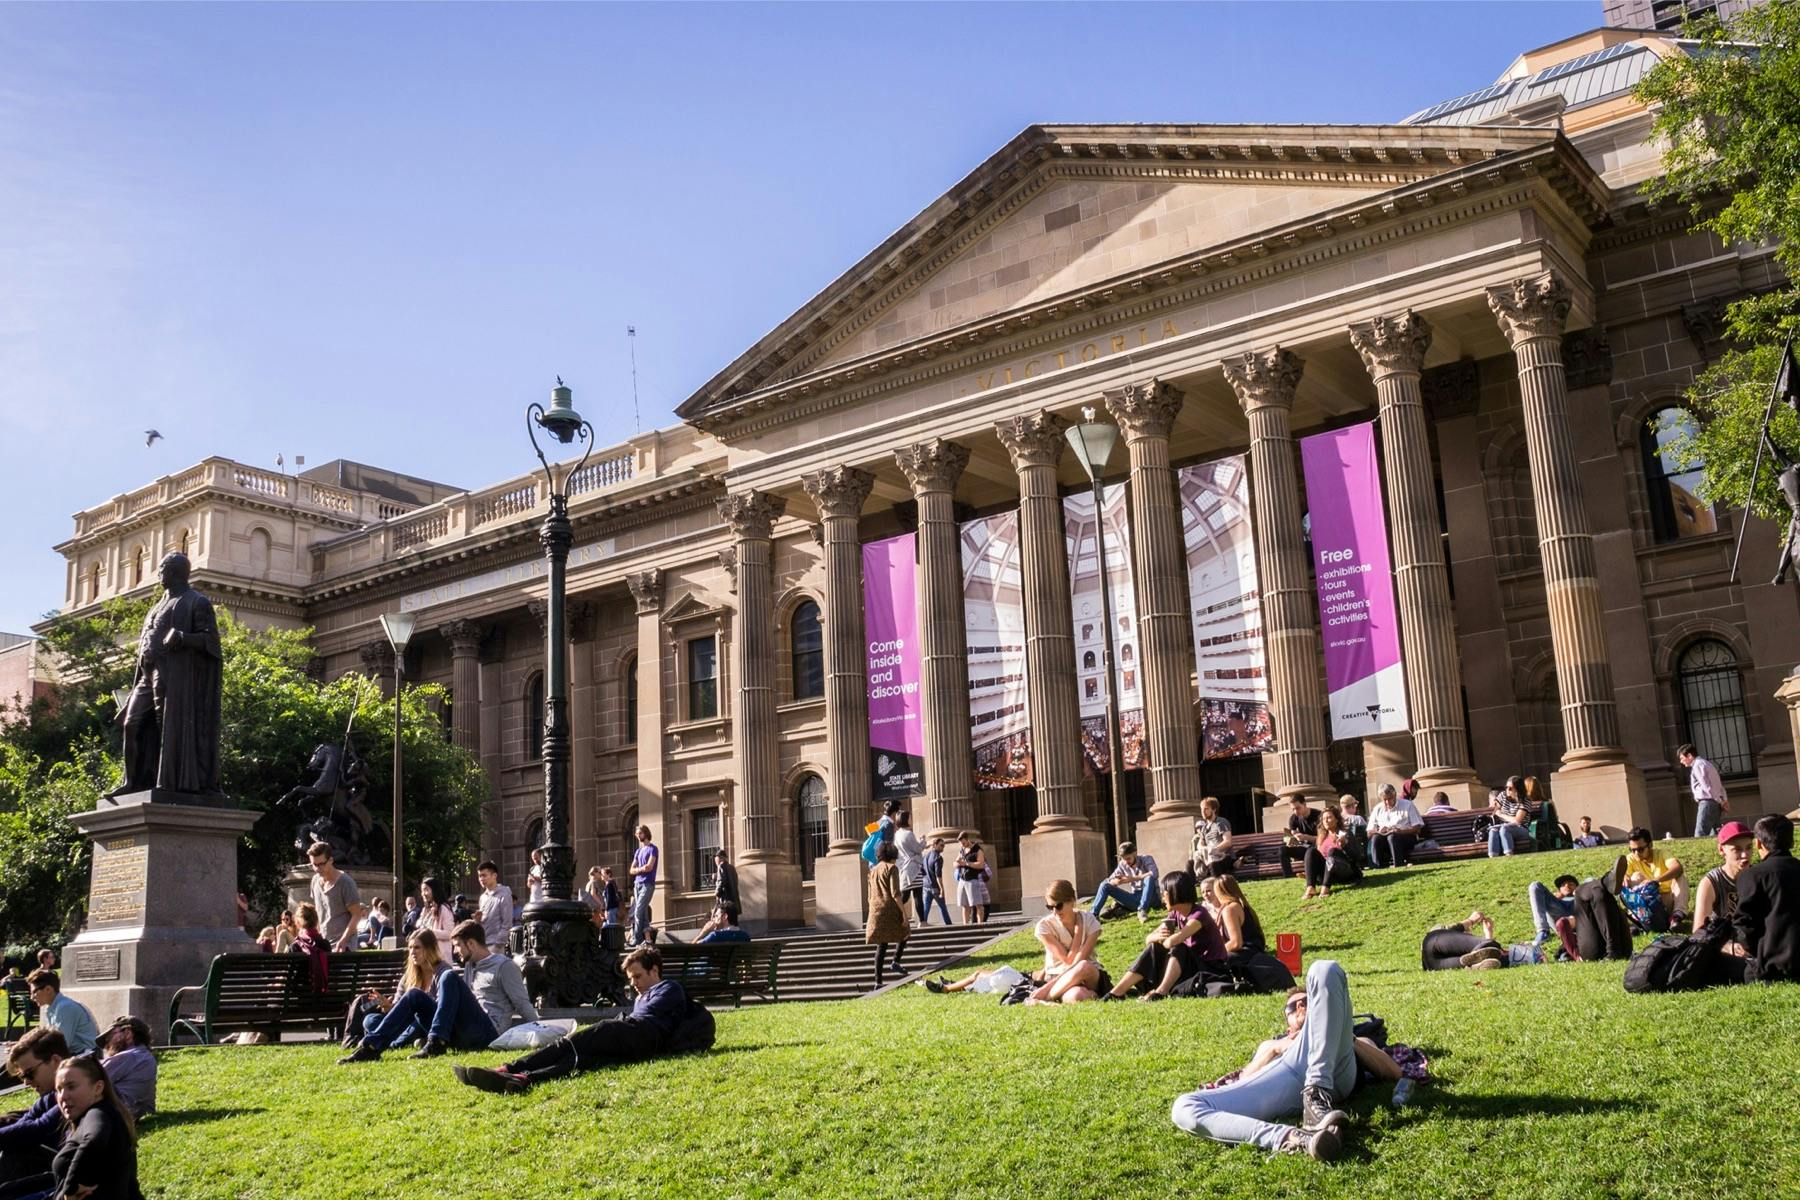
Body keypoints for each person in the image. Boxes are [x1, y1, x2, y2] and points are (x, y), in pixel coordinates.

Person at [1170, 960, 1379, 1162]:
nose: (1301, 1006)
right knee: (1184, 1106)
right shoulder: (1271, 1045)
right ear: (1287, 1023)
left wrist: (1335, 1033)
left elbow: (1393, 1071)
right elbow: (1244, 1079)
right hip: (1288, 1075)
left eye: (1307, 1002)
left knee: (1325, 968)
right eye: (1293, 1007)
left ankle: (1316, 1093)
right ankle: (1293, 1138)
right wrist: (1276, 1048)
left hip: (1337, 1070)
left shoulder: (1351, 1037)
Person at [454, 945, 707, 1095]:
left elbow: (644, 1020)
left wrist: (621, 1021)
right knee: (582, 1059)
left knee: (571, 1043)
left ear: (655, 971)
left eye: (638, 977)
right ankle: (525, 1078)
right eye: (630, 979)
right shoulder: (645, 996)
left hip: (641, 1035)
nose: (634, 984)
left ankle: (510, 1068)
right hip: (635, 1040)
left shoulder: (669, 988)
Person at [1102, 871, 1224, 1001]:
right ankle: (1116, 993)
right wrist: (1157, 937)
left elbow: (1174, 941)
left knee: (1179, 947)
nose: (1162, 896)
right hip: (1189, 966)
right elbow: (1148, 939)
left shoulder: (1199, 914)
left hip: (1210, 968)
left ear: (1174, 893)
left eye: (1164, 892)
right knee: (1155, 947)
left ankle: (1161, 992)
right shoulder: (1175, 914)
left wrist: (1164, 940)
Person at [41, 1054, 143, 1200]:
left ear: (98, 1087)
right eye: (59, 1089)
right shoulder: (103, 1114)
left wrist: (70, 1188)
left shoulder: (98, 1113)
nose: (63, 1096)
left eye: (71, 1087)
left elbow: (95, 1139)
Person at [0, 1028, 69, 1191]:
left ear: (55, 1061)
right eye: (22, 1076)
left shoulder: (75, 1091)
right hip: (56, 1167)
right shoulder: (50, 1096)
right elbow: (24, 1124)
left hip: (76, 1178)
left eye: (30, 1074)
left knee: (15, 1149)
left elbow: (38, 1129)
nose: (26, 1083)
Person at [1734, 815, 1799, 983]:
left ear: (1758, 843)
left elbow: (1744, 925)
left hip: (1772, 967)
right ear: (1792, 842)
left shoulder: (1752, 876)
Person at [455, 921, 540, 1037]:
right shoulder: (470, 965)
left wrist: (541, 1029)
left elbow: (522, 1003)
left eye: (458, 945)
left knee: (448, 977)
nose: (455, 951)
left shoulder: (504, 966)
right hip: (469, 1024)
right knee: (421, 998)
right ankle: (432, 1038)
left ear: (470, 943)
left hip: (491, 1029)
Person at [1026, 880, 1101, 1004]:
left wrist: (1046, 988)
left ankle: (1044, 998)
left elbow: (1078, 962)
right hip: (1059, 976)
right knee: (1078, 996)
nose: (1055, 912)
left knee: (1084, 965)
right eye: (1050, 907)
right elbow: (1068, 960)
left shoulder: (1089, 920)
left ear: (1071, 901)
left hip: (1088, 975)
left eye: (1058, 906)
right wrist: (1079, 932)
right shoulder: (1045, 926)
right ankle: (1056, 996)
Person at [1420, 911, 1554, 970]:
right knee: (1493, 948)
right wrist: (1471, 920)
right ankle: (1532, 955)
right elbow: (1447, 929)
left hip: (1434, 966)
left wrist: (1488, 933)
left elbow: (1488, 951)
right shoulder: (1442, 931)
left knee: (1488, 959)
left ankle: (1477, 967)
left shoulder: (1470, 949)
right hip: (1433, 943)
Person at [1618, 826, 1688, 929]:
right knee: (1635, 877)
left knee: (1680, 877)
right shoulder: (1630, 859)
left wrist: (1655, 880)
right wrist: (1623, 876)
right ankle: (1638, 919)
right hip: (1646, 905)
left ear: (1650, 845)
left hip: (1667, 899)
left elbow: (1677, 868)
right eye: (1632, 850)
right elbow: (1622, 876)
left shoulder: (1661, 854)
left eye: (1640, 849)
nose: (1636, 853)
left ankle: (1676, 917)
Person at [1695, 821, 1755, 930]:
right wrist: (1727, 947)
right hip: (1722, 942)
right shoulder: (1711, 882)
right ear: (1721, 850)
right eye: (1737, 849)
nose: (1745, 855)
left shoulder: (1759, 877)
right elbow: (1699, 931)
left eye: (1749, 847)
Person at [866, 841, 910, 988]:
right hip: (889, 908)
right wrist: (904, 913)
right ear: (893, 855)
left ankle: (878, 982)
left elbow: (869, 896)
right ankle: (896, 961)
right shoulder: (892, 868)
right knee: (905, 932)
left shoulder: (872, 871)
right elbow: (896, 893)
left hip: (876, 911)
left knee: (882, 946)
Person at [307, 841, 365, 952]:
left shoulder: (346, 882)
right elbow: (318, 913)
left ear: (331, 860)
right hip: (324, 945)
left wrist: (343, 940)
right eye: (314, 865)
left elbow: (356, 915)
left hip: (344, 947)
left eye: (321, 864)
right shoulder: (314, 881)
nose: (318, 869)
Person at [25, 972, 97, 1057]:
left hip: (85, 1058)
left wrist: (29, 1050)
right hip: (75, 1055)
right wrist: (24, 1046)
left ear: (48, 989)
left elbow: (61, 1045)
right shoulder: (53, 1007)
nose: (32, 997)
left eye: (34, 992)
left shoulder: (65, 1007)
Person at [1090, 841, 1163, 921]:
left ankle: (1142, 910)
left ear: (1135, 854)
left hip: (1152, 897)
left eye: (1128, 858)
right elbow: (1110, 880)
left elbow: (1154, 873)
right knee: (1104, 885)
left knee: (1148, 878)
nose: (1126, 862)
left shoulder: (1146, 859)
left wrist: (1132, 878)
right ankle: (1093, 915)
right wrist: (1117, 881)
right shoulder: (1122, 864)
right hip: (1135, 898)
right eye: (1123, 859)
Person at [99, 1018, 156, 1120]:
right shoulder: (145, 1055)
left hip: (119, 1113)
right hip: (135, 1112)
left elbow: (91, 1078)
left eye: (110, 1036)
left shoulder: (129, 1056)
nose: (107, 1044)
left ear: (128, 1033)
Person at [1204, 874, 1267, 963]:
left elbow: (1236, 943)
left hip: (1247, 953)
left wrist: (1214, 953)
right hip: (1256, 949)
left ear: (1219, 892)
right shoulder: (1242, 904)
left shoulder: (1230, 909)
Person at [1302, 807, 1360, 899]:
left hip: (1343, 871)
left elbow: (1357, 856)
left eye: (1329, 818)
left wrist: (1345, 844)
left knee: (1332, 851)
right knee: (1311, 851)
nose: (1326, 821)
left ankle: (1325, 887)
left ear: (1337, 819)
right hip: (1325, 873)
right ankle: (1310, 887)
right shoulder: (1321, 837)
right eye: (1324, 819)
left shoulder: (1345, 834)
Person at [1366, 782, 1424, 869]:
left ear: (1395, 795)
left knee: (1392, 836)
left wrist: (1400, 831)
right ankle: (1377, 868)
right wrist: (1379, 831)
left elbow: (1417, 828)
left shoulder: (1407, 805)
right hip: (1385, 838)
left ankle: (1398, 866)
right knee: (1375, 838)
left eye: (1390, 798)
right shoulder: (1378, 808)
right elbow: (1369, 833)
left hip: (1406, 837)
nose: (1387, 802)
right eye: (1384, 800)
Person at [1677, 743, 1728, 839]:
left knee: (1700, 834)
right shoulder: (1707, 764)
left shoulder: (1698, 765)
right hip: (1715, 802)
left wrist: (1721, 801)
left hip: (1707, 801)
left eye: (1682, 758)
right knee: (1716, 833)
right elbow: (1718, 785)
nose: (1681, 761)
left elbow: (1706, 786)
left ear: (1689, 756)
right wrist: (1723, 800)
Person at [1527, 875, 1581, 949]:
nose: (1567, 886)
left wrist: (1580, 893)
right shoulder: (1555, 900)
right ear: (1559, 890)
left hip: (1578, 913)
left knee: (1590, 880)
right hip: (1560, 914)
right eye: (1563, 885)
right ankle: (1543, 931)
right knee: (1535, 885)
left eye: (1571, 884)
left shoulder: (1581, 896)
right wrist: (1555, 898)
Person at [627, 826, 659, 946]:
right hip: (637, 884)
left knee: (638, 910)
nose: (638, 835)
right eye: (636, 834)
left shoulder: (653, 849)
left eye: (639, 833)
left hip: (648, 884)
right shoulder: (638, 851)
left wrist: (638, 869)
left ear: (645, 833)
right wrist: (641, 869)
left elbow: (650, 867)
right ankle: (648, 940)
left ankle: (636, 938)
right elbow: (631, 870)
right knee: (643, 913)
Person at [1485, 776, 1533, 857]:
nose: (1507, 790)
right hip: (1503, 827)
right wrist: (1496, 809)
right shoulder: (1503, 796)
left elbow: (1517, 821)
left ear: (1518, 789)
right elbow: (1494, 810)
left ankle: (1509, 854)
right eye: (1506, 787)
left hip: (1521, 829)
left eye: (1510, 788)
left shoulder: (1525, 800)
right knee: (1493, 830)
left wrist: (1501, 814)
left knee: (1505, 828)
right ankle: (1493, 857)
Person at [1190, 796, 1235, 879]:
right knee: (1190, 863)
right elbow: (1200, 844)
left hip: (1224, 856)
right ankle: (1190, 889)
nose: (1203, 812)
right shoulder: (1204, 828)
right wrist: (1204, 850)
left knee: (1213, 864)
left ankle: (1216, 887)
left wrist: (1213, 850)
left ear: (1214, 809)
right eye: (1201, 809)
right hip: (1209, 857)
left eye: (1206, 809)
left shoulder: (1221, 822)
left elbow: (1228, 842)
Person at [290, 901, 331, 992]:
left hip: (299, 996)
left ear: (298, 923)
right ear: (316, 921)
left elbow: (290, 975)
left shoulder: (295, 946)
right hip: (323, 995)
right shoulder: (326, 944)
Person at [892, 811, 925, 925]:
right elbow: (917, 849)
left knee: (905, 895)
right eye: (910, 818)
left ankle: (895, 916)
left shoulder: (897, 834)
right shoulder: (909, 834)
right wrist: (923, 841)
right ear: (906, 819)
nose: (911, 820)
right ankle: (922, 921)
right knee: (917, 895)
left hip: (904, 867)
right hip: (913, 867)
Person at [476, 860, 515, 951]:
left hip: (495, 945)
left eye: (484, 875)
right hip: (483, 944)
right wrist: (477, 920)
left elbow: (507, 922)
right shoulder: (482, 897)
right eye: (479, 876)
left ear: (494, 876)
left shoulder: (504, 894)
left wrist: (498, 944)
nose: (481, 879)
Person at [1279, 797, 1319, 879]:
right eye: (1293, 809)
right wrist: (1291, 840)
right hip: (1304, 848)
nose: (1295, 811)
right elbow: (1289, 835)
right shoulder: (1293, 818)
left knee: (1311, 850)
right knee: (1283, 849)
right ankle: (1288, 876)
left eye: (1298, 808)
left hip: (1318, 849)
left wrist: (1306, 837)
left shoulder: (1318, 816)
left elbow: (1323, 839)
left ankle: (1310, 875)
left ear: (1304, 804)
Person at [954, 832, 988, 925]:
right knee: (964, 905)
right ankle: (965, 925)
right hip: (962, 880)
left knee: (978, 904)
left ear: (967, 839)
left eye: (963, 842)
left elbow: (981, 864)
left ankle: (980, 924)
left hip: (972, 880)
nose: (962, 844)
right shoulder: (961, 850)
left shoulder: (977, 850)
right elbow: (955, 863)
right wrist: (957, 863)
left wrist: (967, 863)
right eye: (961, 843)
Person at [919, 836, 952, 926]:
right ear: (935, 845)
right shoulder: (938, 858)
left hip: (926, 886)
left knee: (926, 907)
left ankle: (922, 922)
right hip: (934, 887)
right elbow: (938, 875)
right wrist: (942, 888)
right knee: (943, 907)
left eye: (943, 846)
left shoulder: (925, 856)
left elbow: (921, 870)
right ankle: (949, 925)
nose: (943, 848)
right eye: (941, 845)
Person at [416, 877, 457, 944]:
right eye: (422, 891)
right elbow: (419, 926)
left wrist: (430, 933)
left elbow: (450, 933)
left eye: (426, 890)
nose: (423, 894)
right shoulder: (425, 909)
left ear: (434, 890)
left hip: (440, 952)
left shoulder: (443, 908)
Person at [712, 849, 740, 927]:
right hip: (733, 899)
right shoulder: (732, 867)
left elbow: (721, 881)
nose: (716, 862)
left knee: (723, 919)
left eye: (716, 859)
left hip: (725, 899)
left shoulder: (721, 866)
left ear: (720, 858)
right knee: (733, 921)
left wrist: (716, 892)